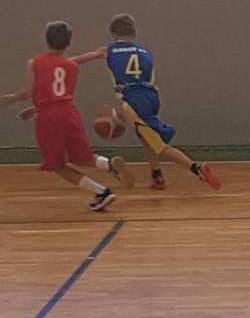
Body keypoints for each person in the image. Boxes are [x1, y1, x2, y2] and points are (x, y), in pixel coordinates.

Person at [72, 14, 219, 191]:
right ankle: (157, 176)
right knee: (144, 137)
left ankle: (196, 168)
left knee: (159, 145)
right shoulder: (144, 51)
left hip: (133, 100)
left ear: (113, 33)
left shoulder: (109, 50)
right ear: (133, 32)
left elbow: (80, 59)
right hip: (151, 96)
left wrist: (60, 63)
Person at [0, 21, 129, 211]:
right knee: (82, 157)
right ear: (68, 42)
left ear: (46, 39)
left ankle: (102, 191)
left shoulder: (35, 62)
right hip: (69, 113)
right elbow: (65, 75)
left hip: (48, 117)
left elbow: (30, 92)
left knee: (57, 164)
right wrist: (94, 54)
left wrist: (14, 98)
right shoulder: (70, 66)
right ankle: (108, 164)